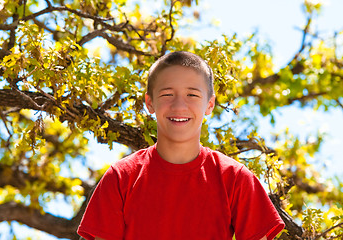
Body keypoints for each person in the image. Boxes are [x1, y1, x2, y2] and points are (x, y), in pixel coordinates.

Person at [77, 51, 285, 240]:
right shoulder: (120, 177)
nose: (179, 105)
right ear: (149, 103)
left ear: (210, 104)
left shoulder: (235, 178)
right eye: (167, 94)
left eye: (192, 95)